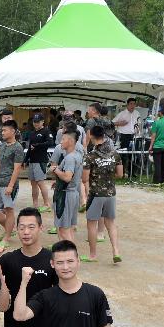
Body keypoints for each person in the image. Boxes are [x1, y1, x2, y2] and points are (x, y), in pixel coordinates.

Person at [82, 126, 123, 263]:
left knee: (91, 224)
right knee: (110, 223)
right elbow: (120, 174)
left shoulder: (90, 156)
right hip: (111, 193)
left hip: (96, 194)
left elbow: (84, 178)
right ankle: (116, 251)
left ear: (92, 137)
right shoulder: (114, 153)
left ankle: (93, 255)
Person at [0, 120, 25, 247]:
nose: (2, 132)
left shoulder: (18, 147)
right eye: (2, 130)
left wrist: (11, 185)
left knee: (8, 210)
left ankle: (7, 236)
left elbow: (17, 169)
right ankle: (10, 228)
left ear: (13, 131)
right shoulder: (2, 145)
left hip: (9, 183)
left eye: (5, 130)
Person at [50, 129, 83, 241]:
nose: (61, 142)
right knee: (69, 228)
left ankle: (70, 256)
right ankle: (72, 255)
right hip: (73, 193)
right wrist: (58, 181)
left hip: (65, 195)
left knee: (64, 230)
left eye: (63, 139)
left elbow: (67, 177)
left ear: (70, 141)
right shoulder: (77, 155)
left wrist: (55, 170)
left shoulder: (69, 158)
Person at [26, 114, 53, 213]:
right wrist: (25, 160)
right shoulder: (32, 133)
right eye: (34, 122)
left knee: (41, 182)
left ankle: (47, 204)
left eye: (38, 122)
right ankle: (35, 204)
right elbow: (30, 148)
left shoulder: (46, 131)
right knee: (33, 183)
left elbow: (50, 142)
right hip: (32, 160)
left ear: (42, 122)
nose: (36, 123)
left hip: (41, 160)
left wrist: (38, 145)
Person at [112, 98, 140, 174]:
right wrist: (120, 123)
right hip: (124, 136)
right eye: (131, 104)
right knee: (124, 154)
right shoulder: (122, 113)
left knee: (133, 154)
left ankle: (131, 172)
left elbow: (138, 123)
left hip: (134, 136)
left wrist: (138, 129)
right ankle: (122, 172)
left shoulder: (137, 113)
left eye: (134, 104)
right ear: (127, 105)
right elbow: (112, 123)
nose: (133, 106)